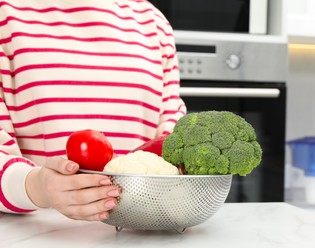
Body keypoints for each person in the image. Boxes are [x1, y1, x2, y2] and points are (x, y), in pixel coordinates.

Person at [0, 0, 186, 221]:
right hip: (37, 240)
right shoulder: (6, 15)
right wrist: (37, 187)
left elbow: (175, 137)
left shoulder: (153, 21)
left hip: (143, 232)